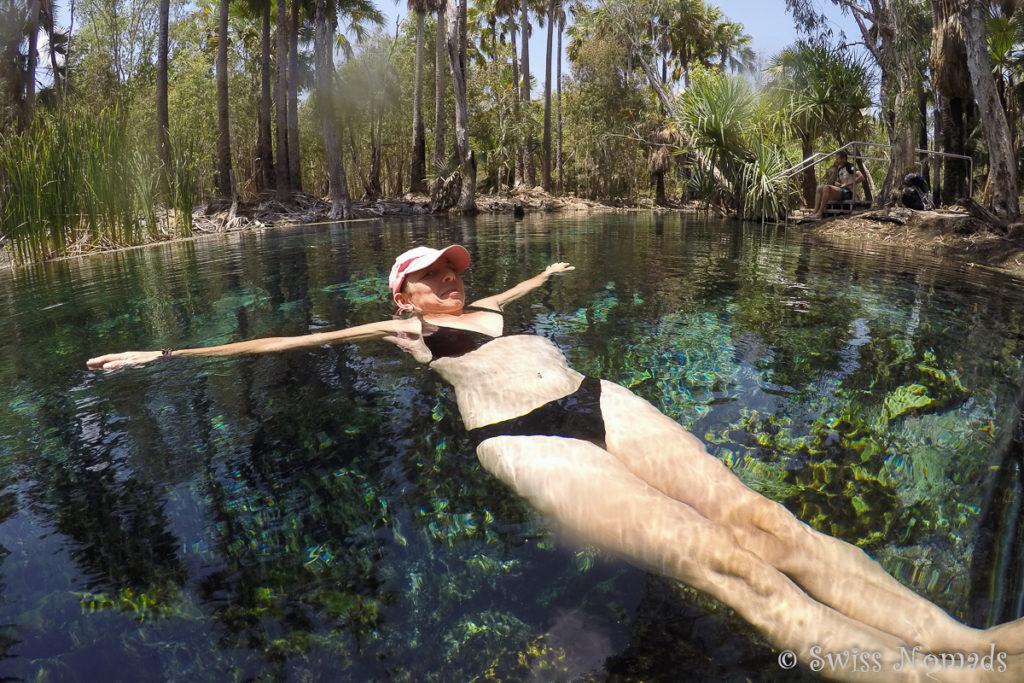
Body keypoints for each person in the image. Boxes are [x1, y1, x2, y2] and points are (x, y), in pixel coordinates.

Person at [88, 244, 1024, 680]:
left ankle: (968, 646)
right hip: (523, 443)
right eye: (433, 276)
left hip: (596, 397)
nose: (450, 282)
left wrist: (551, 279)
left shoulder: (482, 301)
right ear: (404, 292)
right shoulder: (408, 328)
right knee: (724, 559)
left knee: (767, 522)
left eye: (455, 271)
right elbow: (285, 343)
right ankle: (937, 680)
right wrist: (163, 357)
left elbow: (514, 288)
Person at [806, 150, 864, 220]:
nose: (836, 160)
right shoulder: (839, 168)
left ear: (843, 159)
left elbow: (861, 177)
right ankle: (815, 211)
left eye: (837, 159)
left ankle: (820, 213)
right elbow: (840, 181)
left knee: (826, 187)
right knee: (819, 188)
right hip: (842, 190)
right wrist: (838, 183)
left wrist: (847, 184)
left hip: (849, 193)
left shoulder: (850, 166)